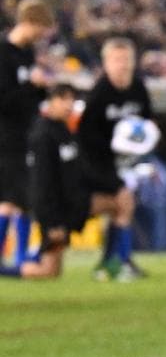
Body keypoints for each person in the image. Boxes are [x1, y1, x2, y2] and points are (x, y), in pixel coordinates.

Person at [78, 37, 153, 281]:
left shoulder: (138, 89)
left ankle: (111, 263)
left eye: (126, 60)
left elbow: (148, 124)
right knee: (122, 203)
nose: (122, 65)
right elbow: (86, 137)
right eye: (117, 60)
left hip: (125, 162)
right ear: (106, 63)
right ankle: (121, 261)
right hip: (96, 163)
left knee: (121, 207)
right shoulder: (99, 94)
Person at [1, 84, 83, 279]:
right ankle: (9, 268)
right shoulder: (43, 134)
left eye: (71, 100)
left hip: (63, 208)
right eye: (63, 99)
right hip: (52, 211)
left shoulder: (63, 129)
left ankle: (27, 257)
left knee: (53, 270)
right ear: (52, 101)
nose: (69, 105)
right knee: (48, 270)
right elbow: (42, 182)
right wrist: (51, 219)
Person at [0, 0, 56, 270]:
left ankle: (20, 257)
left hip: (27, 135)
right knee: (9, 199)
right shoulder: (3, 53)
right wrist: (31, 86)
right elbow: (5, 100)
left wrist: (41, 88)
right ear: (29, 22)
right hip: (6, 137)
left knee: (23, 198)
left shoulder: (27, 54)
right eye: (40, 29)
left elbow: (30, 99)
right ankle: (8, 258)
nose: (41, 36)